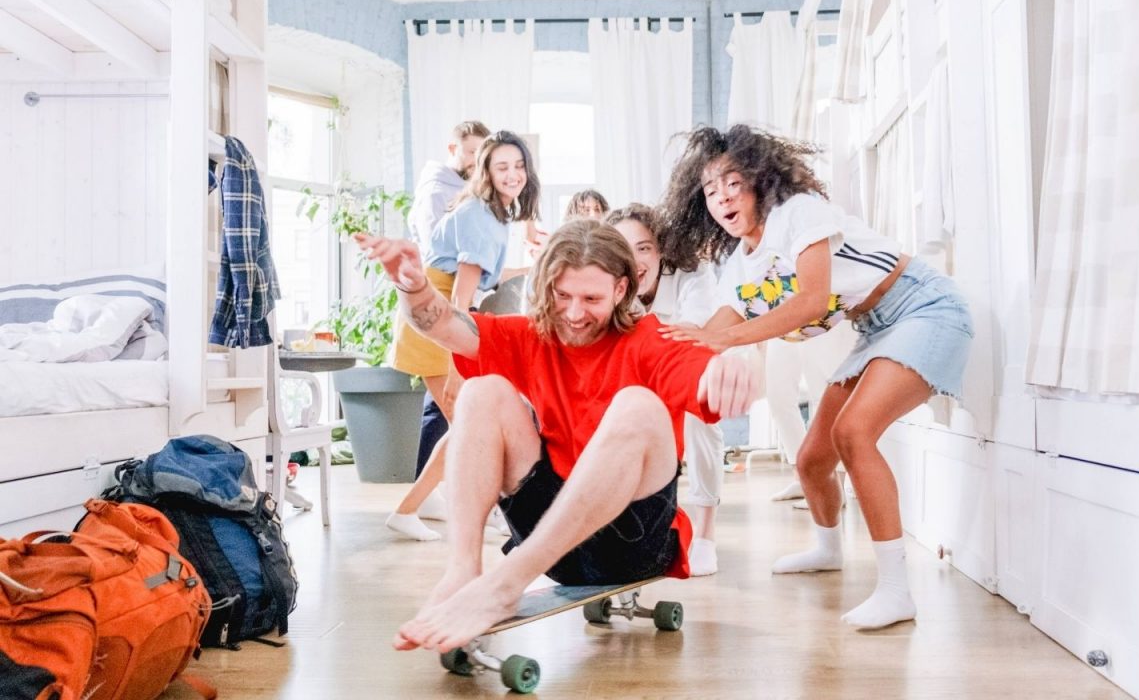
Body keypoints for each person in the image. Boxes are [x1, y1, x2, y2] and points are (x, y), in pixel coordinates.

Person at [355, 220, 760, 653]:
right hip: (552, 540)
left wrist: (731, 365)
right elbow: (444, 327)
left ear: (622, 290)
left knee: (638, 405)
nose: (573, 313)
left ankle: (505, 584)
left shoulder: (652, 340)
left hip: (633, 542)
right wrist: (414, 286)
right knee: (481, 391)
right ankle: (463, 571)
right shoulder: (533, 336)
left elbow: (703, 372)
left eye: (591, 299)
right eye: (562, 295)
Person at [657, 125, 973, 629]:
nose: (722, 199)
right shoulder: (742, 261)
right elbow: (713, 330)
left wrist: (727, 340)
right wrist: (664, 343)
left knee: (853, 433)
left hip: (923, 307)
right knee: (811, 459)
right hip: (874, 326)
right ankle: (828, 549)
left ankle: (897, 591)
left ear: (760, 180)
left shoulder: (798, 213)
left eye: (732, 183)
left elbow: (810, 300)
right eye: (710, 192)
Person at [384, 130, 540, 542]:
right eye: (502, 166)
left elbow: (480, 277)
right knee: (469, 427)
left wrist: (530, 267)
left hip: (436, 313)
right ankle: (440, 510)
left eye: (519, 166)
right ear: (485, 170)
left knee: (464, 427)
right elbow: (461, 297)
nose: (513, 174)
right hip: (437, 318)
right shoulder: (481, 216)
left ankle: (423, 506)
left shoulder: (493, 214)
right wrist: (458, 364)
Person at [604, 203, 724, 576]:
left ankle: (705, 534)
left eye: (645, 247)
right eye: (625, 248)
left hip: (701, 353)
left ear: (661, 250)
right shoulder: (611, 282)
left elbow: (691, 334)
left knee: (699, 420)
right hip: (646, 362)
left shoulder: (692, 276)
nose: (636, 258)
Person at [402, 120, 491, 520]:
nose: (475, 160)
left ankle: (421, 499)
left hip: (447, 304)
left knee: (446, 411)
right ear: (452, 147)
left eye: (479, 153)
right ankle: (470, 502)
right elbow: (440, 251)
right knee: (460, 416)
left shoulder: (466, 193)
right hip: (436, 301)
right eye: (470, 152)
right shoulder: (437, 191)